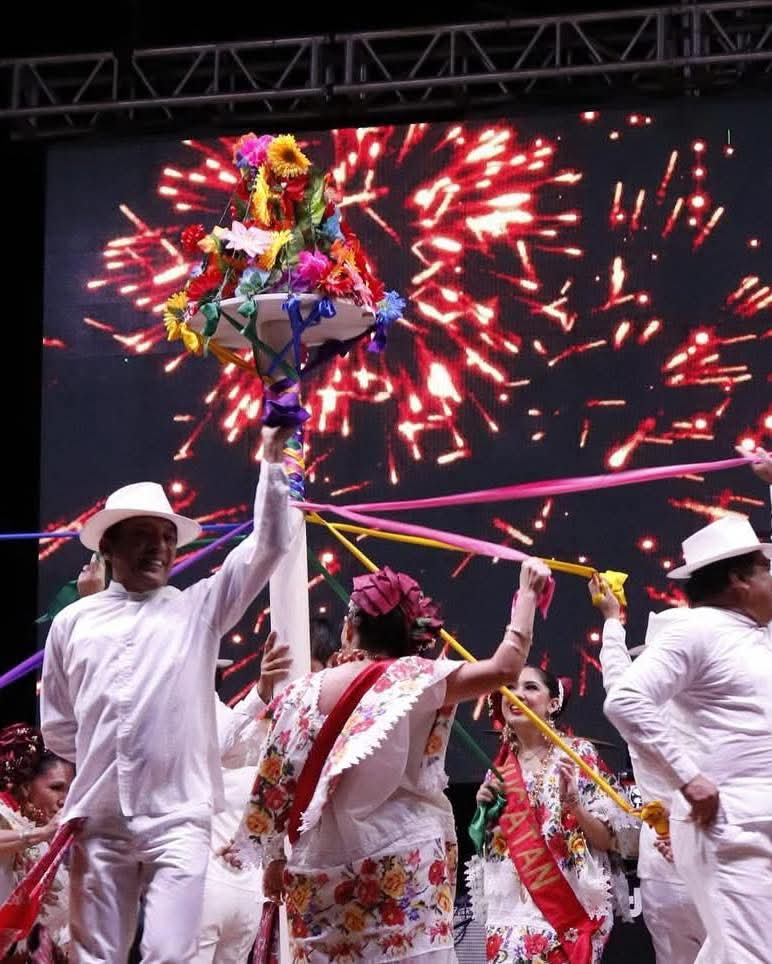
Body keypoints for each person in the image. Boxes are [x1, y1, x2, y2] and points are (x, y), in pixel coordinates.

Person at [40, 422, 295, 964]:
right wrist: (110, 758)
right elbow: (59, 728)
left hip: (178, 819)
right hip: (99, 819)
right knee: (93, 957)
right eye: (144, 535)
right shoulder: (73, 623)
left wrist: (273, 460)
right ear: (109, 545)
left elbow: (269, 545)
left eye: (167, 537)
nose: (159, 547)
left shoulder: (197, 610)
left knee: (171, 954)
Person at [244, 558, 552, 962]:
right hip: (406, 872)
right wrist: (527, 593)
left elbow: (275, 784)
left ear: (349, 629)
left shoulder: (303, 694)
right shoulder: (419, 679)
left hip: (321, 878)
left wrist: (274, 858)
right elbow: (506, 667)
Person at [604, 449, 772, 963]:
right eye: (766, 567)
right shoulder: (695, 629)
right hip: (730, 829)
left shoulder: (755, 635)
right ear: (740, 580)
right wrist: (689, 778)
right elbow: (625, 698)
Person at [467, 666, 632, 963]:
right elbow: (489, 849)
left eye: (530, 687)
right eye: (510, 688)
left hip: (566, 916)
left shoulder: (578, 755)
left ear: (553, 703)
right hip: (509, 920)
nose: (517, 695)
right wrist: (484, 812)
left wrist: (574, 805)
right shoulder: (499, 771)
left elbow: (608, 840)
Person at [590, 577, 704, 963]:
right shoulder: (719, 713)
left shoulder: (638, 709)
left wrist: (611, 618)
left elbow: (615, 675)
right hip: (708, 855)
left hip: (663, 862)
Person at [194, 632, 291, 964]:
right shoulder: (240, 732)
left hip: (210, 884)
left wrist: (261, 693)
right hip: (242, 891)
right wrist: (261, 693)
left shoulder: (209, 721)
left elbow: (220, 741)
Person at [0, 723, 74, 961]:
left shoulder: (40, 832)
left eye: (71, 790)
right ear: (25, 786)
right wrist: (41, 833)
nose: (65, 800)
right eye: (56, 788)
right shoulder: (5, 814)